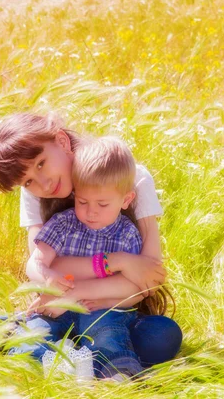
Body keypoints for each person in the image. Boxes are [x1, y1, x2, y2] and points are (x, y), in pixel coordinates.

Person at [0, 113, 182, 368]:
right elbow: (45, 269)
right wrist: (119, 262)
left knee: (162, 337)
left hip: (113, 308)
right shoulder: (34, 196)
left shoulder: (130, 177)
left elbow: (149, 278)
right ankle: (53, 343)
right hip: (59, 308)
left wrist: (78, 292)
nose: (43, 184)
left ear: (62, 141)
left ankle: (43, 342)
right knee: (36, 346)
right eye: (28, 181)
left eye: (41, 163)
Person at [16, 136, 149, 379]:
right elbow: (35, 263)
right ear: (75, 193)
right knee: (37, 330)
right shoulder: (63, 223)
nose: (90, 212)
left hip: (101, 309)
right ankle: (46, 366)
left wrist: (103, 299)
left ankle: (114, 374)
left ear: (126, 200)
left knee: (108, 332)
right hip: (58, 308)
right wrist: (47, 276)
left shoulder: (128, 235)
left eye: (102, 204)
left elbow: (136, 291)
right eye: (82, 201)